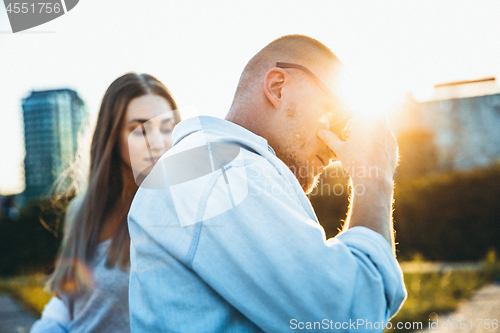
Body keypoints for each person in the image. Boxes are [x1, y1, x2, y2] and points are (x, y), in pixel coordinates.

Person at [128, 35, 406, 332]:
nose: (337, 152)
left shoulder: (207, 165)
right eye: (338, 120)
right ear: (277, 88)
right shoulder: (219, 171)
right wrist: (373, 177)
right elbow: (350, 317)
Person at [30, 73, 181, 333]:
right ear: (113, 135)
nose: (157, 142)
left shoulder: (180, 210)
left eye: (167, 127)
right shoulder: (82, 210)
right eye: (140, 128)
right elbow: (68, 296)